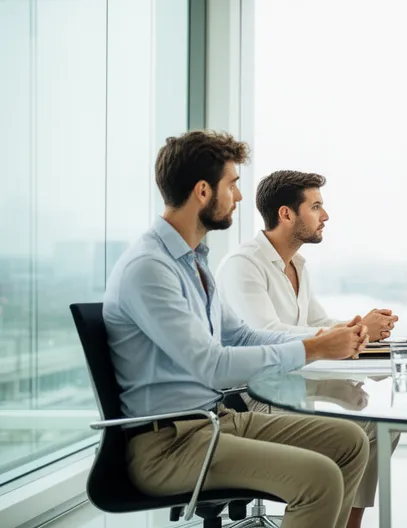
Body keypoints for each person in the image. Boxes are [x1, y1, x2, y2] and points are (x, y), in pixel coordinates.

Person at [103, 130, 372, 528]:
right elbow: (212, 366)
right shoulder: (150, 268)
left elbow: (242, 336)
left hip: (214, 421)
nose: (239, 197)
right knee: (319, 478)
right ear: (202, 191)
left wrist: (320, 339)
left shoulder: (193, 262)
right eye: (232, 184)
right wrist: (314, 349)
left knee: (350, 442)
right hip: (168, 445)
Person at [216, 170, 400, 528]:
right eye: (316, 207)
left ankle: (349, 523)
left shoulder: (298, 265)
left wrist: (359, 327)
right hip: (255, 392)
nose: (325, 216)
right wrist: (351, 330)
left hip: (297, 382)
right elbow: (265, 333)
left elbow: (320, 321)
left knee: (379, 422)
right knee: (355, 428)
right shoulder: (244, 265)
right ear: (286, 214)